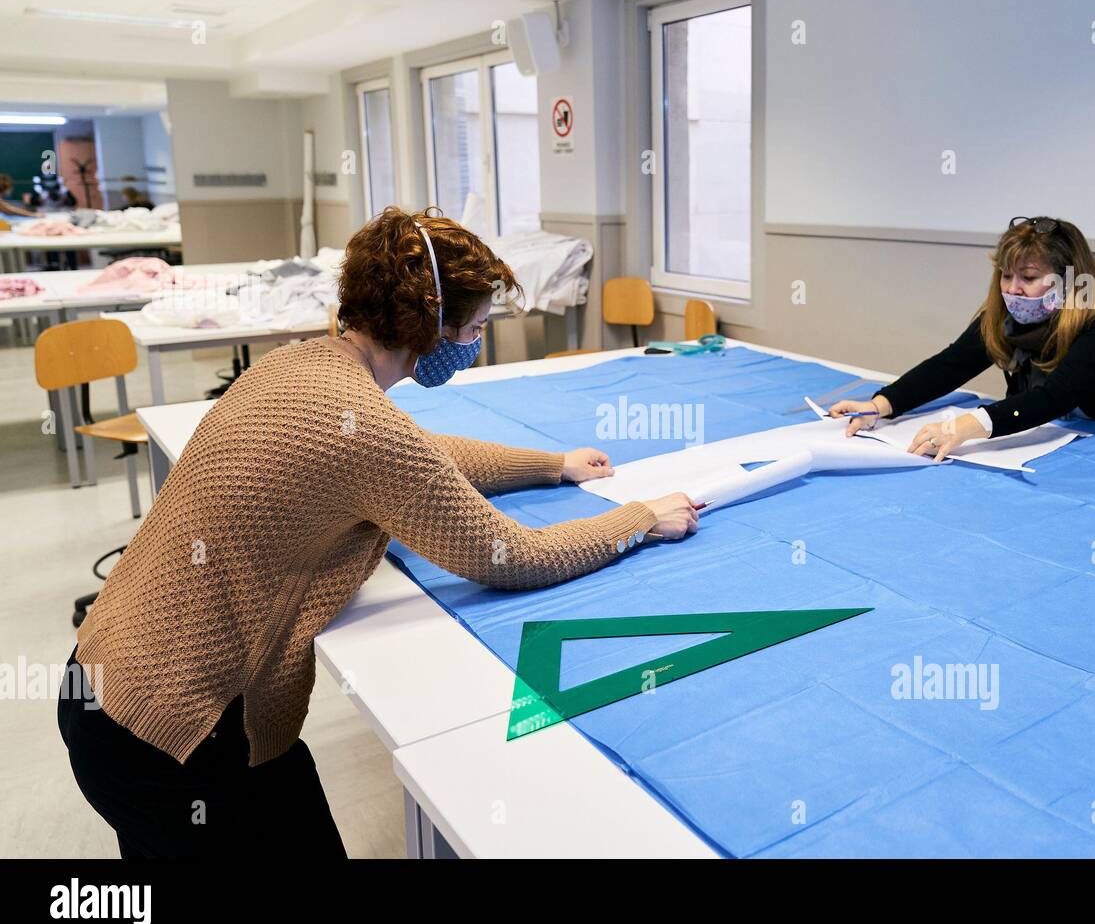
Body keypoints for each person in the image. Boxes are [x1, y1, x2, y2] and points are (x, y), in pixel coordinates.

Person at [59, 206, 700, 858]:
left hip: (102, 685)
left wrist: (550, 465)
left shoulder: (297, 366)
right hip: (174, 734)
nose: (476, 343)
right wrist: (639, 519)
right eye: (475, 328)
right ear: (430, 325)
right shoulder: (364, 425)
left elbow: (420, 452)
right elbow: (512, 555)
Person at [831, 216, 1095, 459]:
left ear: (1069, 278)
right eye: (1006, 275)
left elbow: (1056, 396)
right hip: (1054, 442)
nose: (1012, 289)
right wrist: (882, 404)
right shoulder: (1009, 317)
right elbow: (951, 364)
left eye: (1028, 276)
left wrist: (969, 424)